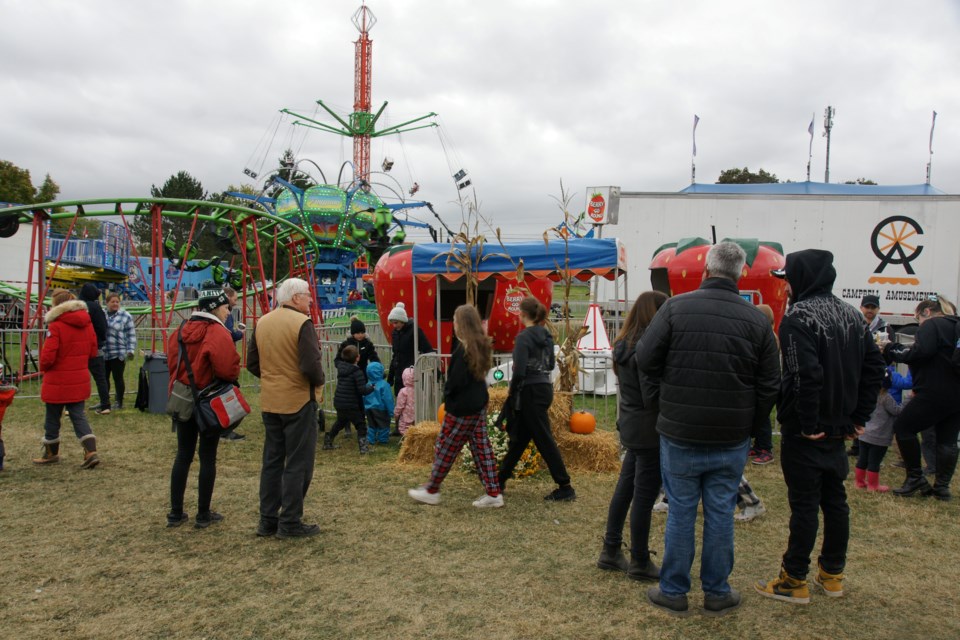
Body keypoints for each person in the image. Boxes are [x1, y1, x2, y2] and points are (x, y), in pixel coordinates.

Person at [636, 241, 780, 618]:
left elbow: (645, 359)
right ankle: (716, 591)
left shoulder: (674, 309)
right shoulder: (757, 321)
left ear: (706, 271)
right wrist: (750, 420)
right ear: (741, 273)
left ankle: (674, 590)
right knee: (719, 512)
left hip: (680, 433)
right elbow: (769, 384)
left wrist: (659, 405)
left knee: (682, 511)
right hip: (729, 436)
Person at [756, 249, 884, 605]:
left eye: (788, 280)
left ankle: (793, 578)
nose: (785, 288)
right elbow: (876, 367)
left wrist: (811, 421)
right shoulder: (852, 315)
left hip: (806, 427)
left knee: (805, 505)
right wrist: (858, 416)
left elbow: (804, 374)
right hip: (840, 423)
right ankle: (832, 574)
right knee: (835, 501)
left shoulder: (798, 317)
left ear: (803, 279)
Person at [247, 278, 325, 538]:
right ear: (295, 298)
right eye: (306, 295)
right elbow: (311, 365)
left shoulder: (263, 322)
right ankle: (290, 521)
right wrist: (318, 383)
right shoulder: (302, 323)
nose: (310, 299)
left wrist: (273, 377)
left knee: (271, 461)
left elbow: (252, 362)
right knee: (298, 463)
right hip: (298, 400)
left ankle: (267, 520)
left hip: (271, 401)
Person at [597, 291, 667, 581]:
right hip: (649, 429)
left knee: (626, 489)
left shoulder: (623, 346)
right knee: (643, 495)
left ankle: (611, 549)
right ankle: (639, 558)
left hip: (631, 425)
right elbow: (650, 396)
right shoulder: (645, 351)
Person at [408, 304, 502, 508]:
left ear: (462, 324)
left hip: (462, 408)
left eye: (455, 319)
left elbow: (455, 382)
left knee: (446, 447)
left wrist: (448, 397)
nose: (453, 322)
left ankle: (432, 490)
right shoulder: (481, 345)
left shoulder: (463, 350)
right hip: (478, 404)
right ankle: (494, 493)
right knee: (481, 449)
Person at [165, 292, 239, 529]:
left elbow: (172, 362)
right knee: (208, 457)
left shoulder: (180, 330)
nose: (228, 311)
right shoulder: (217, 333)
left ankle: (176, 513)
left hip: (183, 398)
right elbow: (228, 368)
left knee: (182, 455)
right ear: (215, 308)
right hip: (208, 401)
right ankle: (203, 513)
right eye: (226, 307)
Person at [498, 297, 575, 502]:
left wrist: (512, 393)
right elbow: (550, 365)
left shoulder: (523, 337)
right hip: (544, 388)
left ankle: (565, 485)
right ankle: (499, 482)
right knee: (520, 439)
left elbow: (520, 370)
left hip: (529, 391)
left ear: (522, 314)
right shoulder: (546, 336)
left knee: (543, 438)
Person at [884, 298, 960, 501]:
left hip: (933, 390)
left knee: (903, 427)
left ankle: (915, 477)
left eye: (917, 317)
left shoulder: (933, 324)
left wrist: (892, 349)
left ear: (926, 311)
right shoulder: (956, 326)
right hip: (956, 394)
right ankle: (942, 487)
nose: (918, 322)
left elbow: (920, 352)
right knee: (947, 440)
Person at [33, 289, 101, 469]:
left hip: (57, 378)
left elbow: (48, 356)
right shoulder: (87, 323)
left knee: (52, 417)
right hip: (79, 376)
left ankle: (50, 452)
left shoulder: (55, 326)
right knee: (79, 415)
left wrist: (43, 367)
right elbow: (93, 351)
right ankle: (90, 451)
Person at [848, 294, 888, 458]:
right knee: (857, 405)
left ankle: (871, 444)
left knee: (875, 412)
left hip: (874, 372)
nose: (870, 310)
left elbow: (890, 349)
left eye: (873, 307)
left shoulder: (885, 328)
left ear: (878, 309)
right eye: (867, 307)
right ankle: (856, 444)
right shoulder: (854, 323)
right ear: (861, 307)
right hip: (857, 370)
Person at [854, 371, 904, 493]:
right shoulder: (886, 398)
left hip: (865, 434)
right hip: (879, 437)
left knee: (862, 459)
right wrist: (907, 401)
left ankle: (859, 482)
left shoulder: (868, 396)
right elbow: (897, 411)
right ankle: (873, 485)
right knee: (874, 462)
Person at [325, 345, 372, 454]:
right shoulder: (357, 372)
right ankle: (364, 448)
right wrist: (371, 388)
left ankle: (328, 441)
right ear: (358, 358)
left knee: (340, 422)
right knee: (360, 425)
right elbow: (362, 390)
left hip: (339, 402)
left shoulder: (341, 368)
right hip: (351, 404)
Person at [750, 304, 778, 465]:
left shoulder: (771, 338)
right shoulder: (766, 335)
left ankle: (766, 448)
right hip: (758, 382)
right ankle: (758, 445)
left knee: (764, 418)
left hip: (763, 384)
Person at [386, 302, 433, 397]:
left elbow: (427, 348)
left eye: (396, 322)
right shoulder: (395, 333)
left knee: (411, 402)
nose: (394, 325)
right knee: (400, 400)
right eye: (392, 323)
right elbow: (395, 355)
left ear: (402, 320)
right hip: (399, 374)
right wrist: (391, 376)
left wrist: (435, 369)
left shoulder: (415, 331)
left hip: (411, 374)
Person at [220, 286, 247, 442]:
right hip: (226, 360)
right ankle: (225, 430)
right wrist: (239, 333)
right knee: (232, 396)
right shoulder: (226, 314)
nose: (235, 303)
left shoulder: (224, 313)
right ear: (228, 297)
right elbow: (228, 335)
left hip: (225, 359)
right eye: (235, 299)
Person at [80, 283, 111, 415]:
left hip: (79, 348)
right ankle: (105, 404)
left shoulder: (78, 307)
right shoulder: (96, 308)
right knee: (100, 378)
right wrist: (101, 339)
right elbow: (102, 327)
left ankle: (75, 406)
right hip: (95, 346)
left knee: (78, 377)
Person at [103, 292, 136, 410]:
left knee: (118, 378)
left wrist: (130, 350)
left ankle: (119, 401)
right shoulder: (102, 314)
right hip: (104, 351)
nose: (115, 304)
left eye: (117, 302)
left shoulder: (125, 316)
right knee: (104, 378)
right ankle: (104, 401)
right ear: (107, 303)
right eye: (112, 302)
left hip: (118, 352)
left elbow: (131, 334)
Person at [364, 361, 395, 446]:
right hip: (381, 409)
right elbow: (388, 399)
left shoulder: (367, 385)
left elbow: (364, 396)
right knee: (384, 424)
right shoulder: (384, 385)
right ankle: (383, 440)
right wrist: (391, 411)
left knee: (371, 424)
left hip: (369, 408)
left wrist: (364, 408)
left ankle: (371, 439)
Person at [394, 366, 416, 436]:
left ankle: (407, 442)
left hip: (406, 416)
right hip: (417, 415)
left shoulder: (403, 391)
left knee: (404, 430)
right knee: (415, 430)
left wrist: (396, 414)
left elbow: (400, 405)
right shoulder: (418, 390)